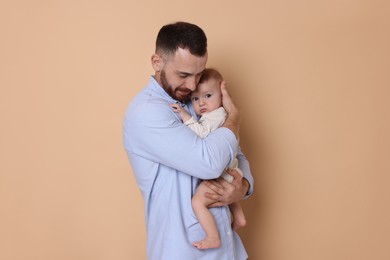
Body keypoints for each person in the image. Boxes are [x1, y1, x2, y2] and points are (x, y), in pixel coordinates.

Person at [123, 21, 254, 260]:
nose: (193, 85)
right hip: (184, 251)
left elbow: (235, 152)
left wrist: (242, 186)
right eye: (183, 75)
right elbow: (211, 162)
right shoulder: (146, 112)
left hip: (228, 248)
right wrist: (234, 116)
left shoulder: (194, 100)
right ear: (157, 62)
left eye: (199, 74)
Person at [171, 68, 247, 250]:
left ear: (222, 95)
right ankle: (239, 216)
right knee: (227, 190)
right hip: (230, 171)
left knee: (198, 201)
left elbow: (202, 134)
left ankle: (212, 236)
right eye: (196, 98)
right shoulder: (221, 116)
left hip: (221, 173)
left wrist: (185, 116)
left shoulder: (215, 117)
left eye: (208, 96)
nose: (201, 103)